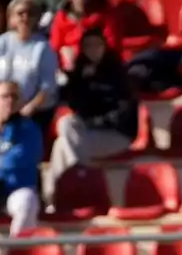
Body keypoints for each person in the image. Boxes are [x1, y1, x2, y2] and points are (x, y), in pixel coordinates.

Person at [46, 29, 138, 198]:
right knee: (63, 134)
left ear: (105, 47)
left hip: (117, 134)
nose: (93, 49)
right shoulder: (81, 73)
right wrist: (74, 76)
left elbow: (122, 113)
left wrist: (92, 123)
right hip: (89, 131)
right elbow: (71, 103)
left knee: (65, 142)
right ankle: (55, 195)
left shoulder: (119, 73)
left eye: (97, 45)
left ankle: (79, 185)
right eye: (88, 46)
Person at [0, 0, 60, 132]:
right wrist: (2, 103)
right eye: (20, 13)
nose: (25, 17)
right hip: (4, 107)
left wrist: (29, 107)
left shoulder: (43, 47)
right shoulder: (1, 43)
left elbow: (47, 87)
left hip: (34, 111)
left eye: (30, 13)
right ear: (11, 17)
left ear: (36, 18)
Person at [0, 81, 42, 235]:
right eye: (4, 96)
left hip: (15, 189)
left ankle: (19, 252)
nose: (9, 101)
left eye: (14, 96)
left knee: (28, 201)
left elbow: (20, 159)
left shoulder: (29, 129)